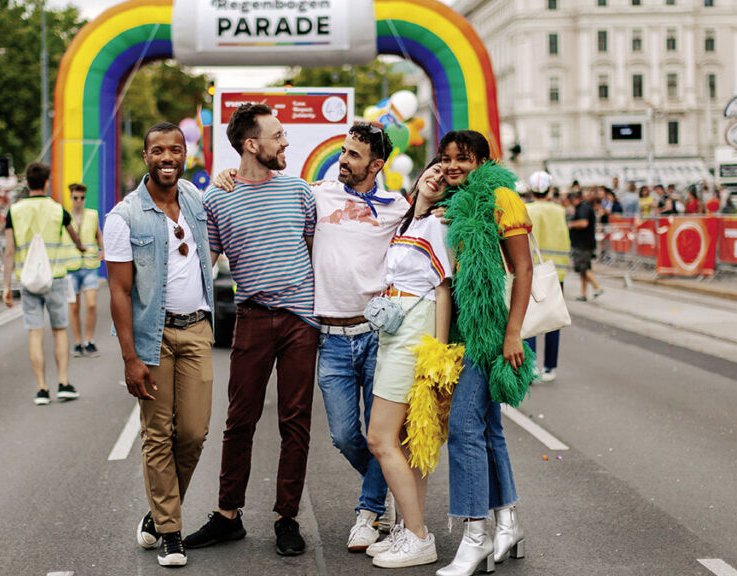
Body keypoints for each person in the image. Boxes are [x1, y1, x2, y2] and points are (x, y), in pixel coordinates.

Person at [213, 123, 407, 553]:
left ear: (376, 164)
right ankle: (394, 479)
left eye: (354, 155)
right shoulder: (315, 193)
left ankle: (369, 511)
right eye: (343, 150)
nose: (343, 159)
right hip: (331, 336)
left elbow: (420, 240)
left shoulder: (398, 207)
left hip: (378, 335)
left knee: (379, 432)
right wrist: (227, 175)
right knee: (343, 435)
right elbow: (266, 191)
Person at [183, 103, 318, 557]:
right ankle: (227, 516)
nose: (285, 143)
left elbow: (320, 252)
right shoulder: (217, 200)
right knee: (239, 420)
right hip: (253, 318)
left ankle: (287, 518)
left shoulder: (300, 191)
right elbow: (206, 264)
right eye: (278, 136)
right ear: (251, 144)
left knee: (294, 422)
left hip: (301, 320)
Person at [106, 123, 215, 567]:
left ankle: (156, 514)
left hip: (197, 331)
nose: (167, 157)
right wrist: (130, 358)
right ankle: (171, 532)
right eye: (158, 151)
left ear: (185, 153)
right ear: (145, 156)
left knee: (192, 432)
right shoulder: (124, 216)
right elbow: (118, 292)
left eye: (175, 149)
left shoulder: (193, 198)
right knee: (157, 435)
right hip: (155, 337)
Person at [436, 131, 534, 576]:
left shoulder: (500, 199)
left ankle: (476, 535)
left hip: (489, 329)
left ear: (483, 160)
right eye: (447, 158)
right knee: (489, 427)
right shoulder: (452, 203)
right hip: (460, 329)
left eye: (464, 158)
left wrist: (513, 333)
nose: (453, 165)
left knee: (463, 428)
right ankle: (507, 521)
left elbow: (524, 267)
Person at [364, 159, 452, 569]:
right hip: (393, 330)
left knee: (379, 438)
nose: (435, 175)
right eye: (430, 170)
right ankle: (408, 529)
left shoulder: (437, 224)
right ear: (418, 177)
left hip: (415, 331)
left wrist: (436, 353)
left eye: (442, 174)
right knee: (404, 443)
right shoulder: (406, 221)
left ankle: (417, 535)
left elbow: (442, 289)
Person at [1, 162, 84, 406]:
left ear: (26, 183)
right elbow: (75, 236)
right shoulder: (57, 209)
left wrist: (7, 286)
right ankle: (63, 382)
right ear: (47, 183)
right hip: (55, 277)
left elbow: (8, 250)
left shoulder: (14, 211)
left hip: (27, 281)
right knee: (59, 331)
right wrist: (83, 248)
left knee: (35, 333)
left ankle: (41, 388)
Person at [524, 171, 569, 383]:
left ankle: (531, 364)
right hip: (556, 271)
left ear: (532, 190)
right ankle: (550, 367)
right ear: (550, 190)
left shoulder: (527, 209)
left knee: (531, 317)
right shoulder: (559, 211)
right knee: (553, 318)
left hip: (531, 271)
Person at [62, 182, 104, 357]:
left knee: (92, 304)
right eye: (75, 198)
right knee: (74, 307)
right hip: (70, 267)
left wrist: (103, 250)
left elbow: (98, 235)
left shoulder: (92, 215)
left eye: (81, 198)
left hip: (89, 264)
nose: (79, 201)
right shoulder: (64, 217)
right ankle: (78, 342)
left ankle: (89, 340)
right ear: (71, 198)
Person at [568, 189, 603, 301]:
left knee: (582, 268)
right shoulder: (584, 207)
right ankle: (583, 294)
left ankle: (597, 287)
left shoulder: (583, 208)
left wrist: (571, 224)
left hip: (582, 243)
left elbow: (583, 223)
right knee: (585, 269)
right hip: (585, 242)